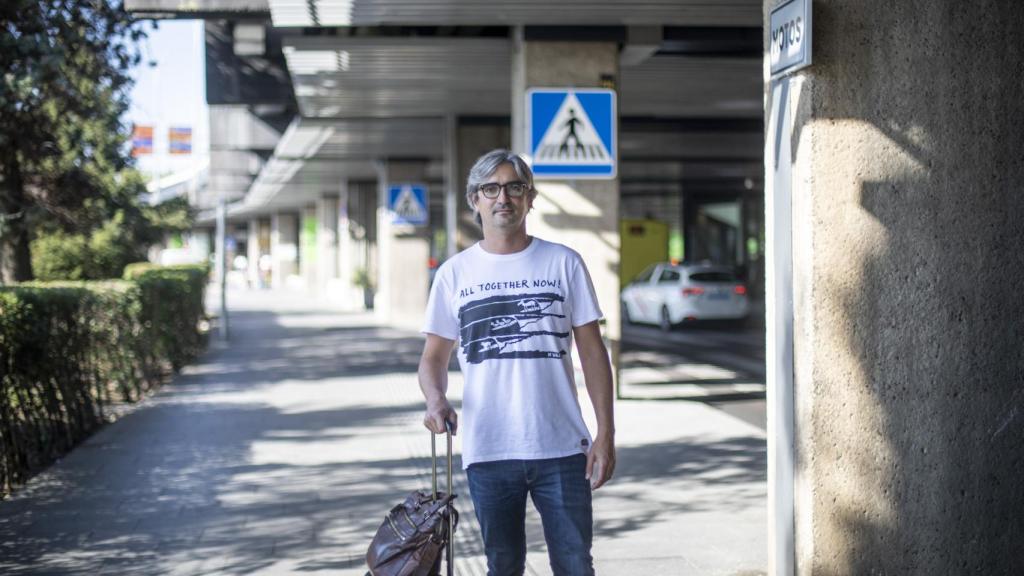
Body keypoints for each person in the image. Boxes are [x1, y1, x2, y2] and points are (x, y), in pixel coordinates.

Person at [418, 149, 615, 576]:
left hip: (563, 448)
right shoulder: (454, 274)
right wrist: (435, 400)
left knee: (575, 564)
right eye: (491, 188)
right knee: (503, 565)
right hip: (489, 449)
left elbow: (593, 352)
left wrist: (606, 432)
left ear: (530, 197)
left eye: (514, 187)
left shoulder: (564, 262)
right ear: (475, 199)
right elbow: (433, 357)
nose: (502, 197)